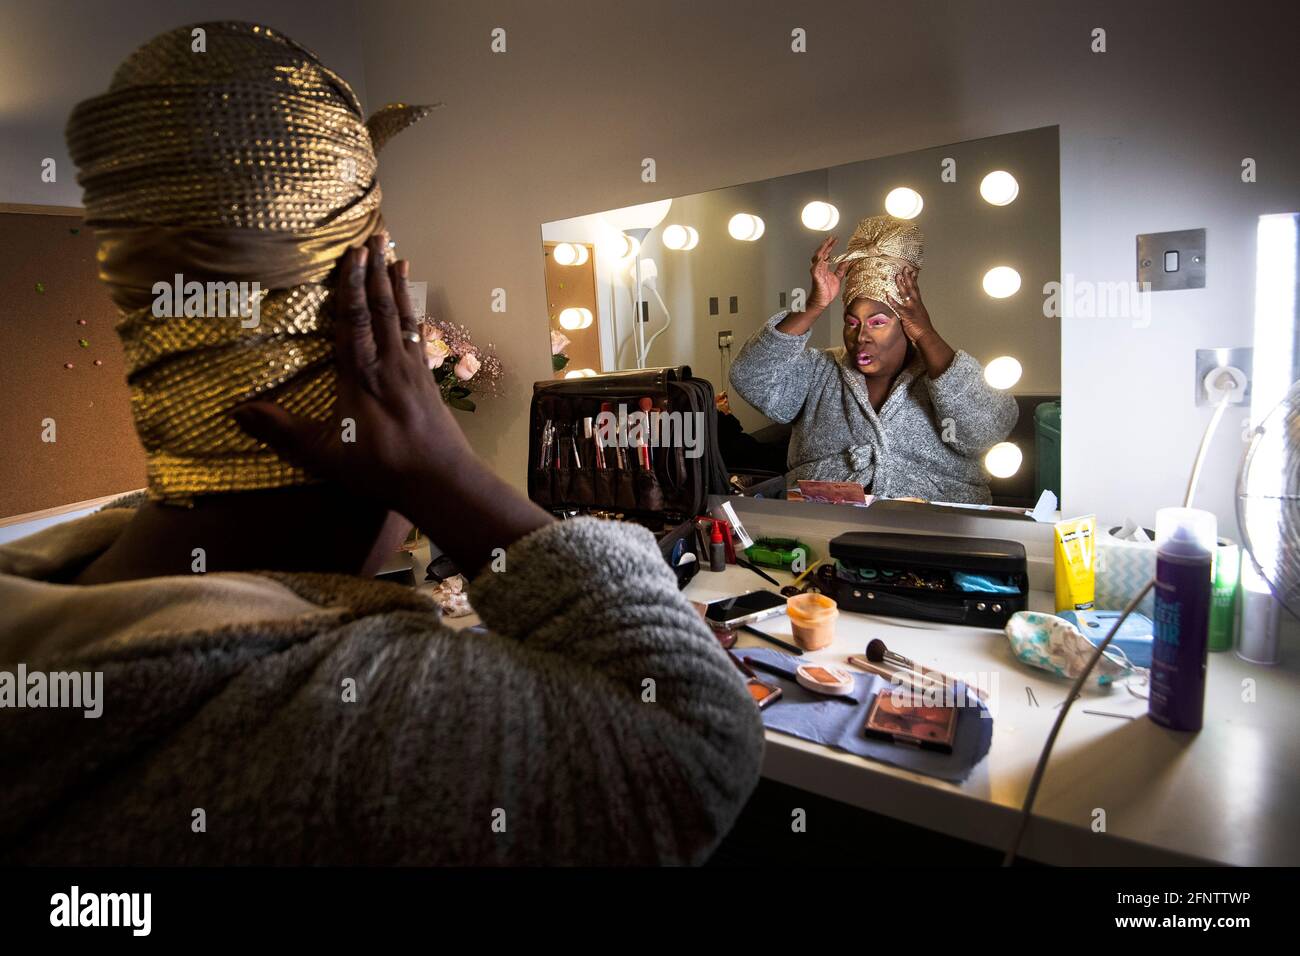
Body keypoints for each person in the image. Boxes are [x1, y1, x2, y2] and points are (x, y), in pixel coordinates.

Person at [0, 22, 762, 866]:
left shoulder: (57, 590)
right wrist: (448, 476)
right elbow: (702, 740)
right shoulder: (334, 719)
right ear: (370, 444)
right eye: (423, 410)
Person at [728, 216, 1017, 504]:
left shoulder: (941, 375)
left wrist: (927, 334)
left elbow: (987, 431)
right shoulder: (819, 372)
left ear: (905, 325)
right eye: (852, 323)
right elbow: (750, 376)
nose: (861, 336)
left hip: (935, 532)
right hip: (822, 528)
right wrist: (813, 306)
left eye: (877, 322)